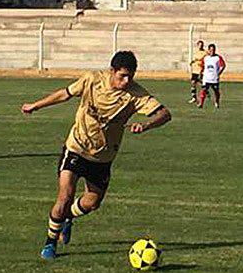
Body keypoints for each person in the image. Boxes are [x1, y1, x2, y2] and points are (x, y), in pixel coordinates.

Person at [22, 51, 171, 260]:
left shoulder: (136, 95)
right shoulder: (91, 80)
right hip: (76, 147)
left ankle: (67, 218)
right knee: (64, 197)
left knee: (92, 203)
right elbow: (65, 94)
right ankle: (50, 243)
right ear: (112, 71)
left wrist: (146, 125)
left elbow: (165, 114)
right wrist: (35, 106)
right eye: (122, 76)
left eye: (131, 76)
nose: (127, 81)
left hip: (102, 158)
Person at [198, 44, 226, 109]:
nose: (212, 52)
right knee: (204, 90)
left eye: (213, 50)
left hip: (214, 78)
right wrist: (201, 74)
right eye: (210, 50)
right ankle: (201, 104)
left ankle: (217, 102)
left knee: (216, 91)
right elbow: (202, 66)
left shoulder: (218, 58)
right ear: (208, 50)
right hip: (206, 78)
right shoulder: (205, 57)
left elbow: (223, 65)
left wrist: (219, 73)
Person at [188, 40, 206, 104]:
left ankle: (205, 91)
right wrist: (192, 62)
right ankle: (194, 97)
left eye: (202, 45)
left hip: (200, 70)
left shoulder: (205, 52)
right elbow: (196, 59)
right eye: (199, 45)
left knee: (199, 82)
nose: (200, 46)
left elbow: (202, 60)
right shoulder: (196, 52)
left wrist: (202, 68)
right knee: (193, 83)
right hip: (195, 69)